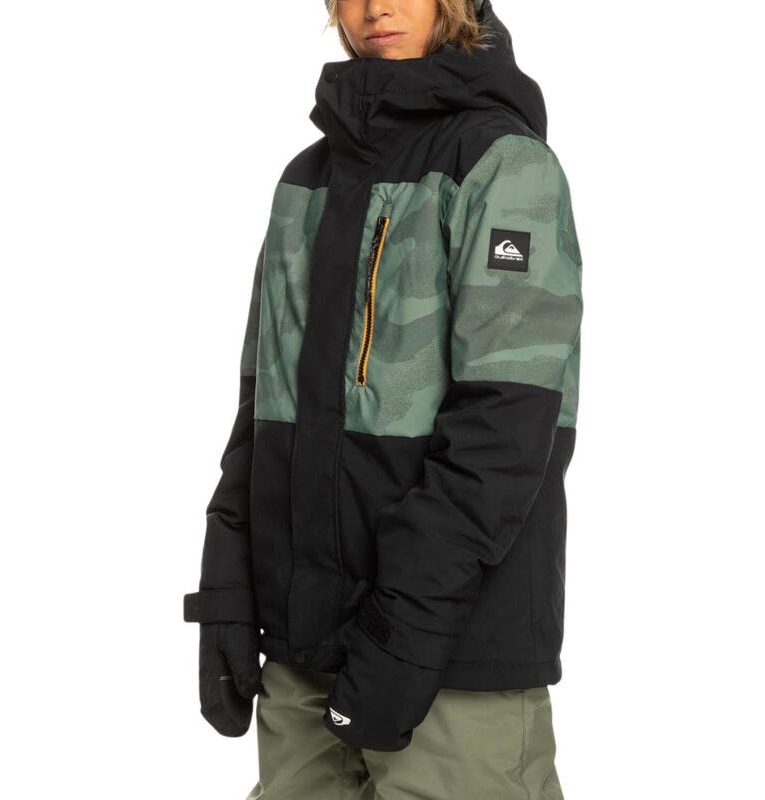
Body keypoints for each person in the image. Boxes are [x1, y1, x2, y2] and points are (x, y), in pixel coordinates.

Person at [183, 0, 583, 797]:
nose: (376, 7)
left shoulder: (502, 166)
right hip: (301, 652)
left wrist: (404, 633)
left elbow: (503, 434)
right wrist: (227, 588)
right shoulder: (307, 179)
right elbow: (260, 415)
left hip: (453, 662)